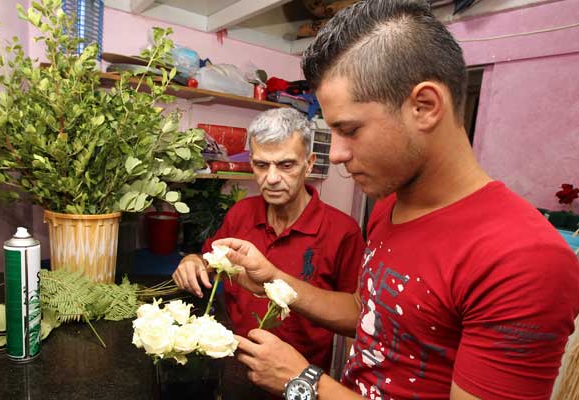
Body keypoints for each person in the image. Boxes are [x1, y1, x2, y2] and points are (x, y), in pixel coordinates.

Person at [218, 1, 579, 399]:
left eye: (349, 129)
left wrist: (304, 383)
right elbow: (371, 314)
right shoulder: (391, 205)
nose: (335, 154)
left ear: (424, 107)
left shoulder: (523, 259)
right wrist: (274, 279)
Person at [172, 108, 365, 374]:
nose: (272, 179)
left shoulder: (343, 232)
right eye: (262, 165)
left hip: (299, 383)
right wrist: (192, 261)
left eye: (286, 165)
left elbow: (357, 321)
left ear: (309, 163)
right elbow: (209, 261)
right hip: (234, 370)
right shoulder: (241, 213)